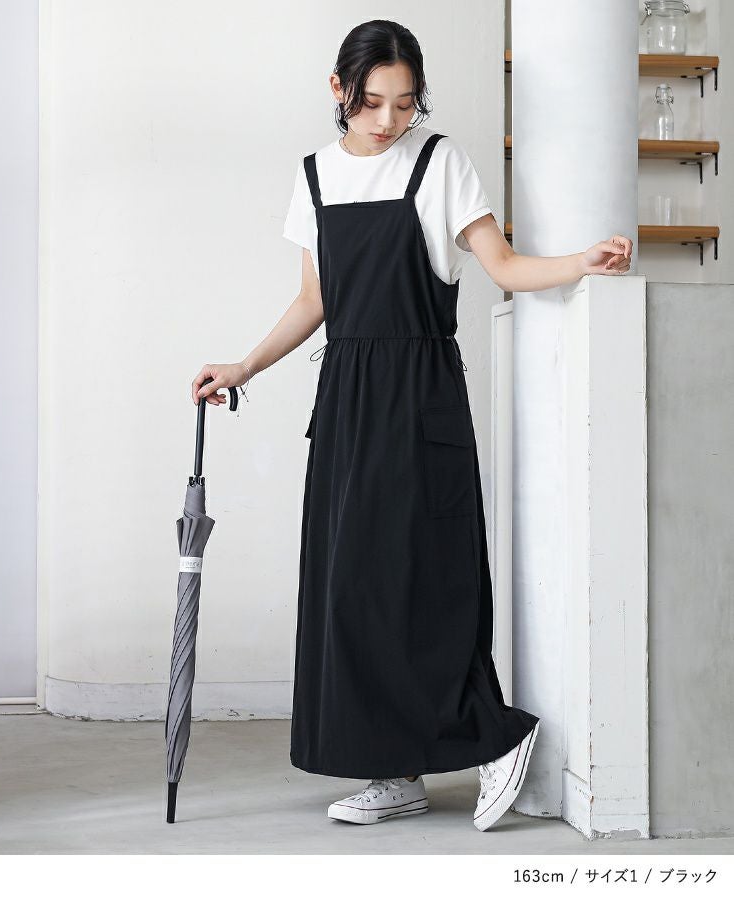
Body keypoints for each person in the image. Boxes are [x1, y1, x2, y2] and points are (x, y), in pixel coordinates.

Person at [192, 19, 632, 831]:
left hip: (421, 391)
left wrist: (581, 262)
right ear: (339, 91)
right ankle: (393, 770)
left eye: (404, 103)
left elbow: (503, 266)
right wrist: (243, 367)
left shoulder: (440, 162)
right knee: (353, 587)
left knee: (428, 577)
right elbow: (315, 302)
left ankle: (497, 738)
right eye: (371, 103)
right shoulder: (315, 176)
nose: (389, 120)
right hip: (347, 398)